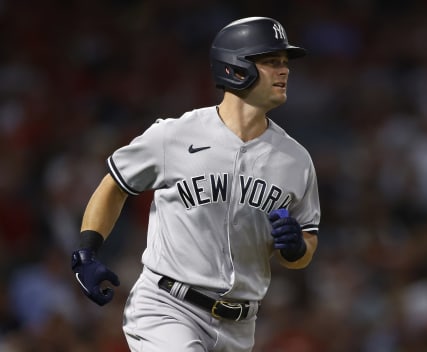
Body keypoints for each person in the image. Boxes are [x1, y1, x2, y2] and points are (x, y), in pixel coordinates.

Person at [71, 16, 321, 352]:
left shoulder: (296, 159)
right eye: (271, 61)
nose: (284, 70)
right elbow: (115, 183)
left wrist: (297, 249)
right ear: (235, 66)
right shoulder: (174, 135)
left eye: (284, 62)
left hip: (240, 326)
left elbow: (307, 240)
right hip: (167, 308)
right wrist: (87, 250)